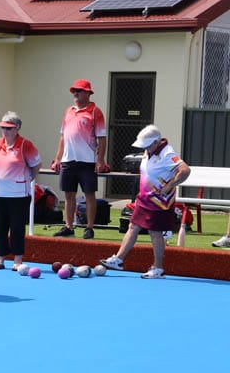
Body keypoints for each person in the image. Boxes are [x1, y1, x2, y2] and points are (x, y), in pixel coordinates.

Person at [99, 125, 191, 279]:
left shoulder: (167, 153)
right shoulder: (149, 151)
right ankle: (118, 260)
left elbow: (185, 170)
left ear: (156, 142)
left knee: (155, 232)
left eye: (147, 145)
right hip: (144, 198)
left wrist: (170, 185)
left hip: (159, 201)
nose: (145, 148)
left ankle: (158, 268)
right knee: (133, 226)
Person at [51, 79, 107, 240]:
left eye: (79, 91)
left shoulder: (95, 112)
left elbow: (102, 138)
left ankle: (89, 227)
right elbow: (63, 137)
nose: (75, 94)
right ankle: (69, 226)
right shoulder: (69, 111)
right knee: (69, 195)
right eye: (74, 91)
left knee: (89, 194)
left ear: (88, 93)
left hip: (88, 161)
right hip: (68, 161)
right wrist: (58, 159)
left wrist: (100, 160)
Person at [0, 111, 41, 271]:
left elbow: (36, 165)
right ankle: (0, 259)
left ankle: (17, 260)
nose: (5, 131)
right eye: (3, 127)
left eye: (9, 128)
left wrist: (28, 178)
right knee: (0, 226)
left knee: (17, 227)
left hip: (18, 194)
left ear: (17, 128)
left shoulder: (25, 145)